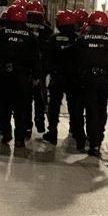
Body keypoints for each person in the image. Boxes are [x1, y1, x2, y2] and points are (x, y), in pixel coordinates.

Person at [73, 11, 108, 157]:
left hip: (86, 81)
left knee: (88, 110)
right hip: (103, 81)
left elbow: (72, 62)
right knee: (101, 109)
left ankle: (89, 141)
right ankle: (97, 139)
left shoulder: (81, 40)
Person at [0, 4, 41, 147]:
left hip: (4, 77)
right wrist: (36, 76)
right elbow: (36, 58)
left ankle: (6, 133)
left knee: (4, 106)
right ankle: (19, 137)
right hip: (23, 78)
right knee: (22, 108)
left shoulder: (0, 34)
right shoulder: (30, 37)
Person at [42, 10, 85, 148]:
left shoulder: (53, 39)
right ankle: (79, 136)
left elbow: (46, 60)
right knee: (75, 108)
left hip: (57, 78)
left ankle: (52, 133)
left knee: (54, 107)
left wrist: (44, 74)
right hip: (74, 79)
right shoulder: (79, 40)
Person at [25, 0, 53, 137]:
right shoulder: (47, 29)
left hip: (24, 68)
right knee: (40, 96)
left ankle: (26, 126)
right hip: (41, 68)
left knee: (25, 98)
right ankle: (40, 121)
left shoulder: (22, 27)